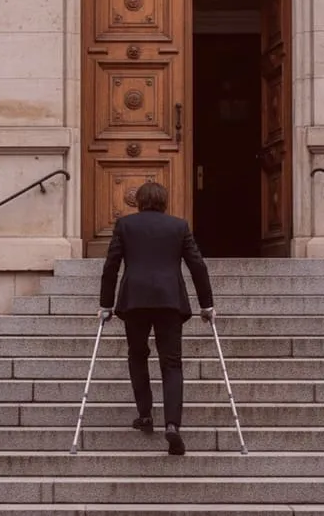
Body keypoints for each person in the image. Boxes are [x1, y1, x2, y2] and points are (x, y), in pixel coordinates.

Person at [98, 181, 215, 456]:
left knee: (137, 355)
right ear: (165, 201)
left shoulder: (125, 225)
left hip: (135, 300)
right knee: (171, 363)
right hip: (169, 300)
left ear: (138, 201)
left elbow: (111, 265)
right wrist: (206, 304)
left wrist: (106, 304)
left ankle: (145, 414)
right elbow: (197, 265)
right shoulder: (178, 226)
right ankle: (172, 424)